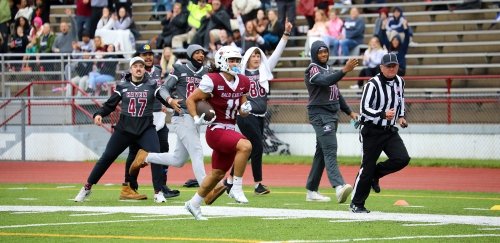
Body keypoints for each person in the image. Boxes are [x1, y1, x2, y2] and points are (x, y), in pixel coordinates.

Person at [73, 56, 170, 202]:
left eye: (141, 66)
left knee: (156, 156)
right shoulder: (123, 85)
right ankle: (87, 188)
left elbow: (162, 95)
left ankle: (158, 192)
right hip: (124, 129)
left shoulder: (152, 84)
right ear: (131, 69)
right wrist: (99, 114)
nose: (138, 68)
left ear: (145, 69)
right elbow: (110, 104)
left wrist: (171, 101)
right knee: (107, 157)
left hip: (145, 129)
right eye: (135, 66)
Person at [128, 44, 209, 194]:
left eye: (202, 53)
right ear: (190, 54)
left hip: (197, 118)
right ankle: (206, 188)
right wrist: (170, 100)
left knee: (178, 160)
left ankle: (147, 156)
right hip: (182, 116)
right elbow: (164, 88)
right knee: (197, 151)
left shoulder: (206, 72)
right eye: (197, 52)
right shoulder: (180, 69)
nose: (201, 55)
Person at [225, 19, 293, 196]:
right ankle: (257, 185)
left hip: (261, 114)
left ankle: (230, 179)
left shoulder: (265, 69)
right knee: (257, 146)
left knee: (247, 149)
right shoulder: (240, 73)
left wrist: (285, 34)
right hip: (246, 114)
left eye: (258, 56)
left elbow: (277, 53)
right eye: (253, 56)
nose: (256, 58)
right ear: (247, 58)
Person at [184, 45, 252, 220]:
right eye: (232, 60)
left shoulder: (243, 81)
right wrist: (194, 117)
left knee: (217, 174)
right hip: (215, 129)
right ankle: (235, 187)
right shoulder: (212, 79)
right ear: (222, 61)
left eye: (237, 60)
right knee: (245, 146)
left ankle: (193, 204)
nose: (235, 63)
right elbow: (191, 99)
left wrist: (245, 108)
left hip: (230, 129)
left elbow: (242, 108)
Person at [350, 52, 411, 213]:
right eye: (388, 66)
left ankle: (375, 175)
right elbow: (364, 109)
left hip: (389, 130)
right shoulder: (372, 84)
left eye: (394, 66)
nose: (392, 69)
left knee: (402, 158)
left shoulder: (400, 82)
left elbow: (400, 100)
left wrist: (402, 116)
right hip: (372, 130)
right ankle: (357, 204)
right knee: (366, 168)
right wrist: (382, 114)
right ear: (381, 67)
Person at [121, 44, 180, 203]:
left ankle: (162, 186)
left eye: (149, 54)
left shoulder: (157, 70)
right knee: (134, 152)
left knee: (163, 150)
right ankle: (130, 185)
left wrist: (165, 104)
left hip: (159, 117)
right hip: (141, 118)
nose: (147, 57)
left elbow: (160, 90)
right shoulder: (130, 74)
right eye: (144, 54)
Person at [304, 40, 358, 203]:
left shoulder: (329, 69)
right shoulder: (312, 68)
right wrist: (344, 70)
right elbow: (324, 81)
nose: (323, 55)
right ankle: (339, 186)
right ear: (314, 54)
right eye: (320, 52)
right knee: (330, 148)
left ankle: (311, 191)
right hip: (320, 114)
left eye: (325, 52)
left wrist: (349, 112)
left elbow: (336, 92)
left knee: (321, 152)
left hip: (331, 114)